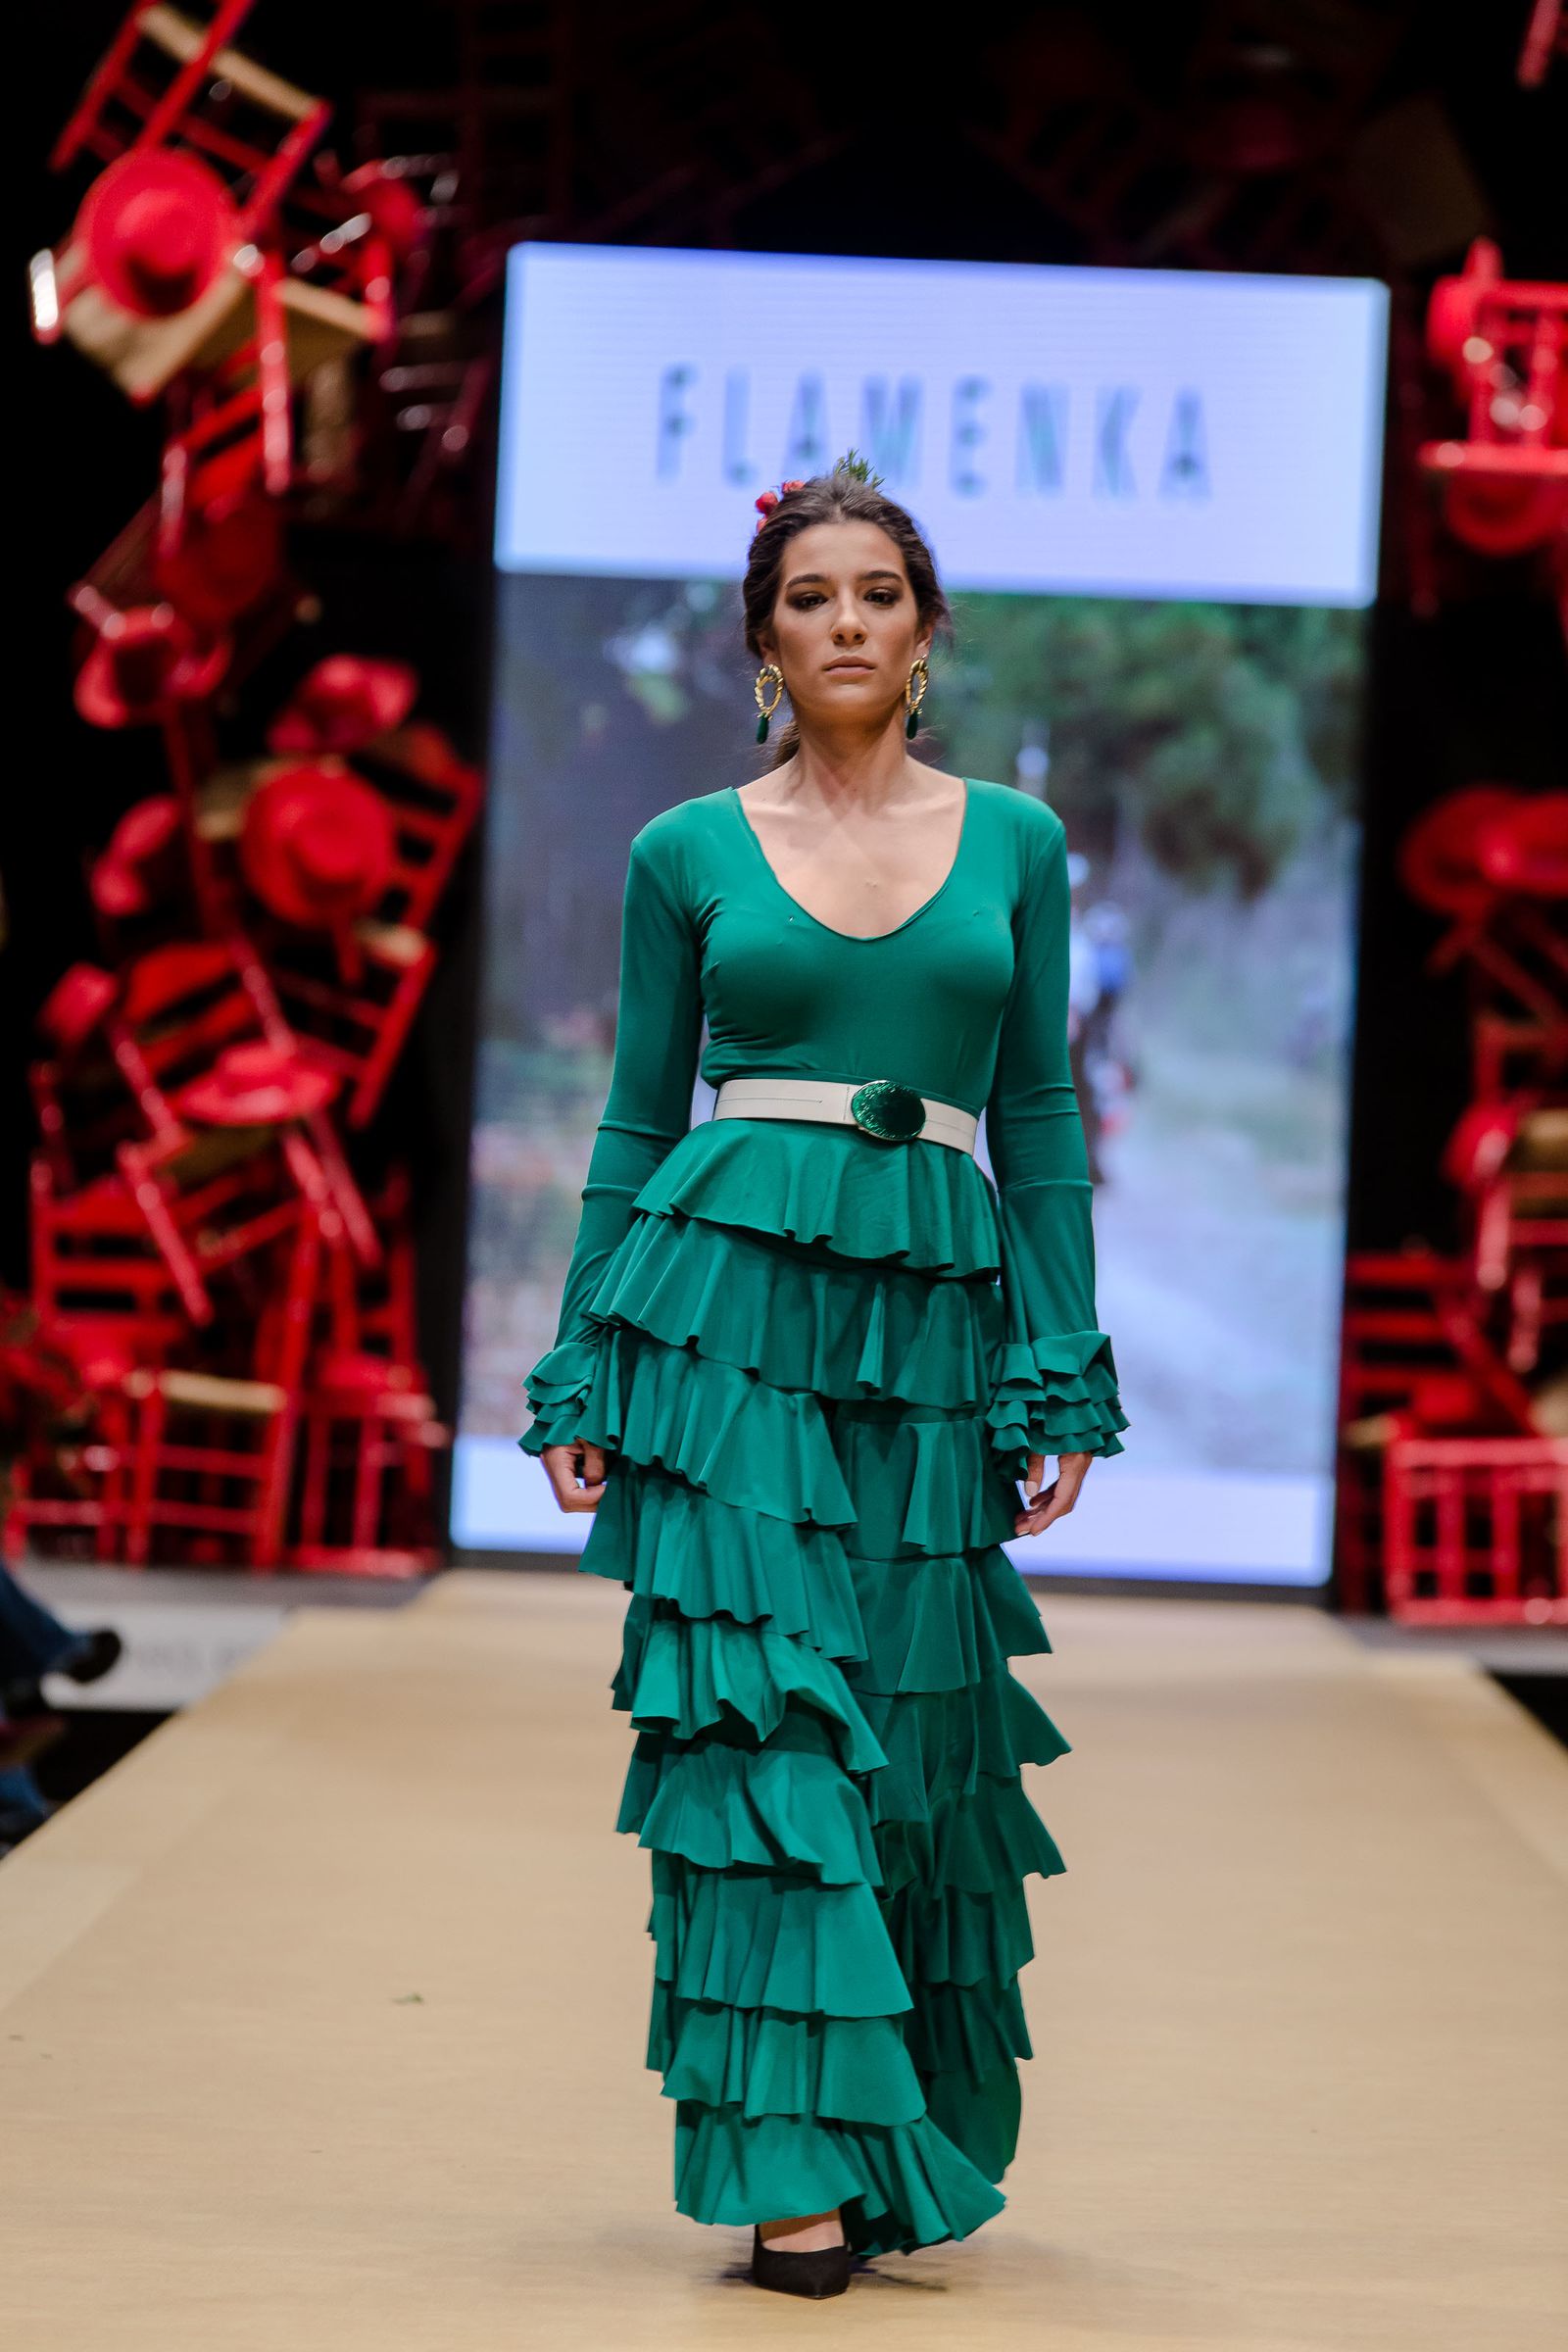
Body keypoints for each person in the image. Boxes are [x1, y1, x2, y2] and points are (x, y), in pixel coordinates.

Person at [518, 455, 1128, 2299]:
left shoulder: (1015, 841)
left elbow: (1036, 1113)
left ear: (925, 633)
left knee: (916, 1740)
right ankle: (790, 2175)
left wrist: (1062, 1364)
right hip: (724, 1320)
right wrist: (579, 1365)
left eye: (878, 594)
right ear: (765, 642)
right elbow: (634, 1114)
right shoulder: (685, 852)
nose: (846, 622)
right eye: (810, 598)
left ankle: (881, 2132)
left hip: (933, 1319)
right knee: (759, 1721)